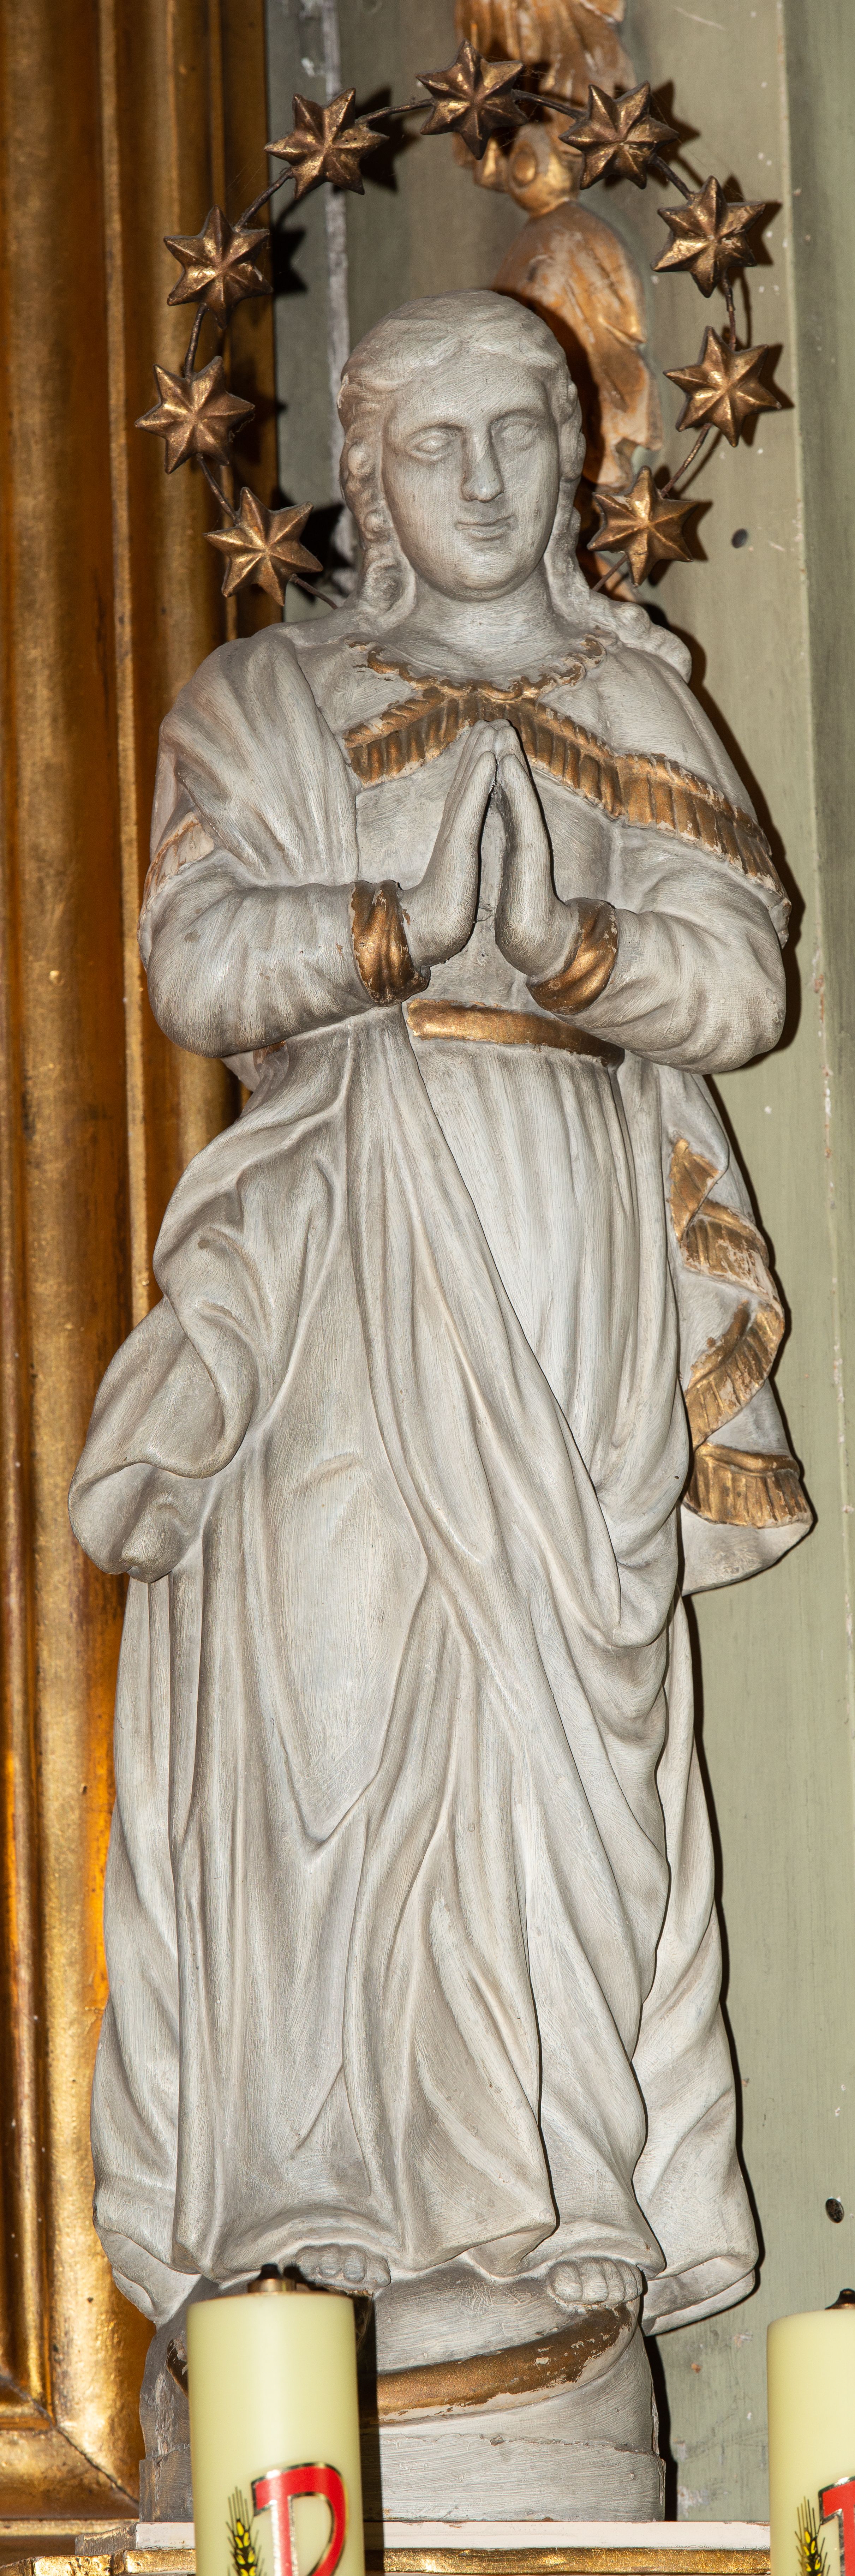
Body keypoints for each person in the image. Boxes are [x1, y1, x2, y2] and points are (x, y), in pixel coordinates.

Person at [70, 292, 807, 2384]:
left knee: (552, 1704)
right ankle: (319, 2189)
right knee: (330, 1687)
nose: (483, 479)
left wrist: (564, 943)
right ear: (367, 484)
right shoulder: (266, 696)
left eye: (523, 433)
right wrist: (398, 927)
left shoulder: (635, 698)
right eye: (433, 445)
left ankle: (545, 2193)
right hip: (333, 1228)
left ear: (578, 461)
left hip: (568, 1224)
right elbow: (197, 962)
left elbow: (741, 981)